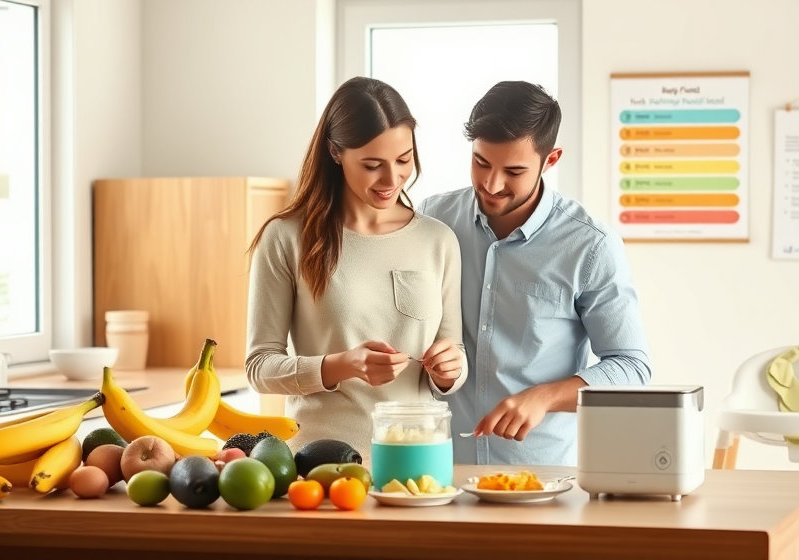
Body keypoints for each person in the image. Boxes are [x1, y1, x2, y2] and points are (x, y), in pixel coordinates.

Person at [419, 81, 651, 466]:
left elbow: (632, 366)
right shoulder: (433, 219)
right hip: (437, 471)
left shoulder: (591, 246)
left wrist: (545, 397)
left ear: (551, 160)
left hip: (541, 477)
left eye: (513, 171)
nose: (491, 184)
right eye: (481, 162)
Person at [245, 76, 468, 460]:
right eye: (372, 165)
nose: (392, 179)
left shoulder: (438, 240)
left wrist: (451, 370)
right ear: (335, 152)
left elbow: (453, 354)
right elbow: (259, 368)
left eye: (404, 160)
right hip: (321, 463)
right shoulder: (286, 237)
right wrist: (342, 366)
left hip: (418, 460)